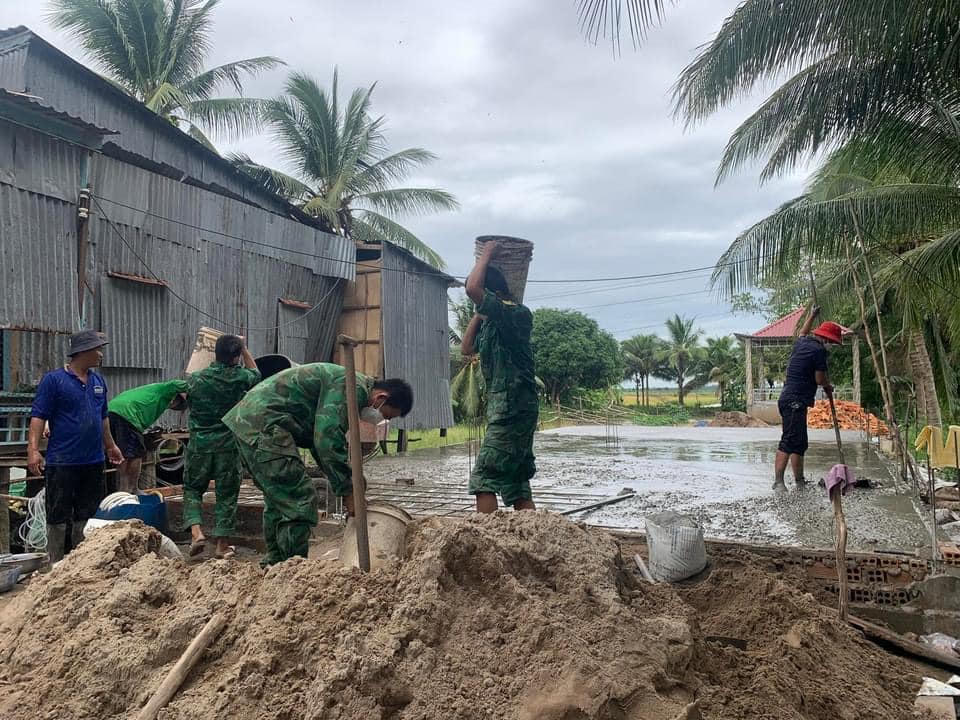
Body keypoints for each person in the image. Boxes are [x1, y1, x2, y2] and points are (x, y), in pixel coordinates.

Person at [222, 363, 413, 566]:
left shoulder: (349, 382)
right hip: (265, 426)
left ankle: (275, 563)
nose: (379, 419)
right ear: (381, 398)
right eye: (386, 415)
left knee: (280, 498)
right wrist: (348, 490)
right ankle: (292, 568)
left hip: (249, 422)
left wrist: (349, 482)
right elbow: (326, 441)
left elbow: (318, 440)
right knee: (300, 498)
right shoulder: (351, 387)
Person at [27, 330, 124, 562]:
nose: (100, 354)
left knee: (87, 513)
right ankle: (55, 563)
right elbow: (39, 417)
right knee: (57, 515)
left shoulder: (98, 381)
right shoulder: (54, 380)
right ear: (83, 352)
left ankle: (81, 562)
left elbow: (103, 418)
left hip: (93, 460)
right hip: (62, 461)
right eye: (97, 350)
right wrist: (33, 450)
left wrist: (110, 446)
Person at [462, 240, 539, 513]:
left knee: (484, 476)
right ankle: (531, 537)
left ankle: (487, 543)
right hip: (511, 409)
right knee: (516, 482)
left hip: (513, 409)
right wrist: (480, 314)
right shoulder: (494, 321)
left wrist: (486, 255)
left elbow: (472, 288)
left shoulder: (516, 315)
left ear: (492, 292)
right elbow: (466, 348)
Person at [183, 335, 260, 559]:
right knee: (226, 495)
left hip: (200, 444)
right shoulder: (240, 378)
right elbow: (256, 374)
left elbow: (180, 401)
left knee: (192, 489)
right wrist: (244, 348)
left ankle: (196, 532)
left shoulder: (195, 379)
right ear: (236, 357)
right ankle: (221, 546)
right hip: (228, 446)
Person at [775, 306, 844, 488]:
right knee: (789, 440)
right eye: (832, 342)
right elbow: (819, 378)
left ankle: (799, 480)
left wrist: (812, 315)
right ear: (826, 339)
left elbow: (802, 332)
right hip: (794, 401)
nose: (832, 346)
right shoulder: (819, 351)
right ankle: (779, 482)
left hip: (791, 400)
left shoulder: (802, 342)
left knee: (800, 442)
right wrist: (828, 386)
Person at [107, 380, 189, 493]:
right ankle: (131, 489)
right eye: (176, 405)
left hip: (112, 410)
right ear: (175, 399)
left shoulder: (151, 392)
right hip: (128, 413)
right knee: (136, 454)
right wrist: (197, 386)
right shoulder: (166, 390)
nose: (171, 407)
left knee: (122, 452)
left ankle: (123, 489)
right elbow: (177, 384)